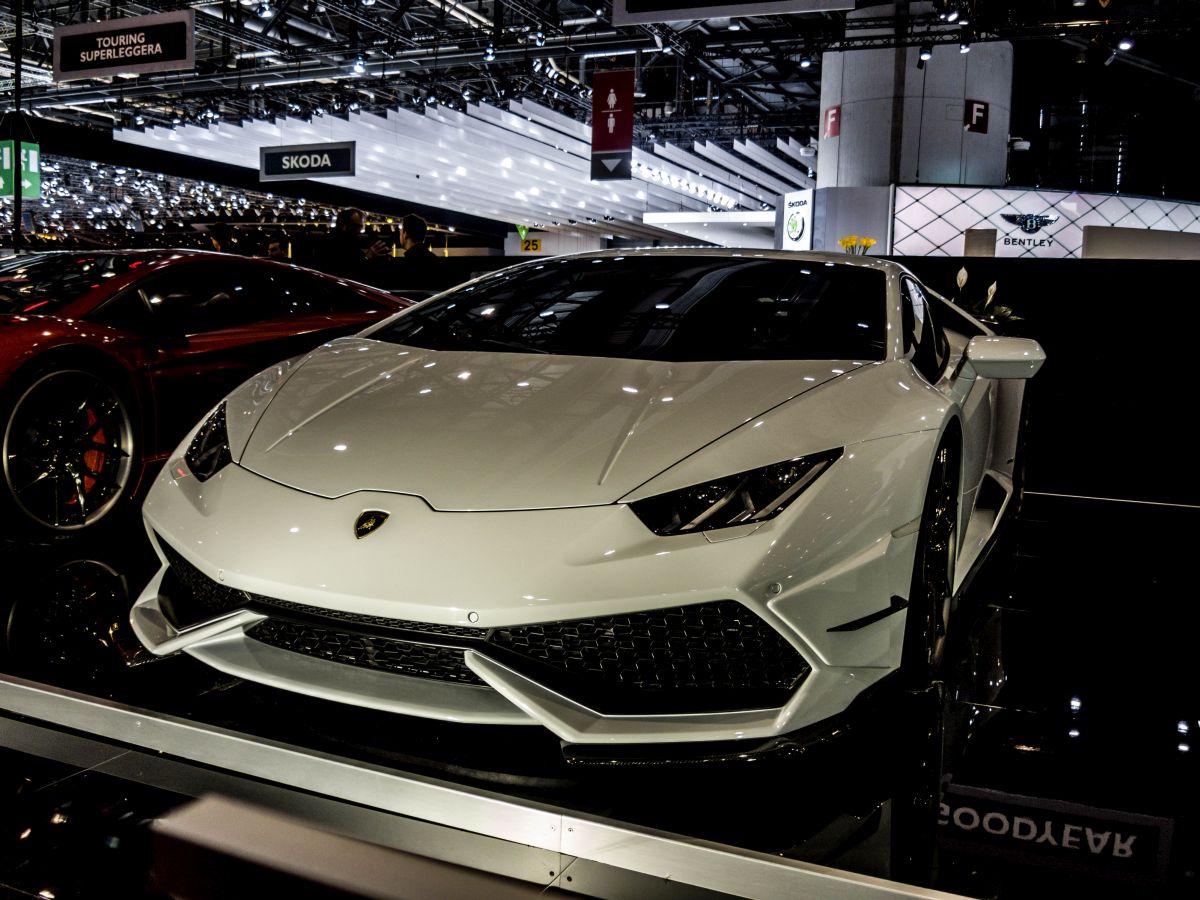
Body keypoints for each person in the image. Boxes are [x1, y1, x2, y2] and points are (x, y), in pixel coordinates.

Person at [318, 207, 390, 279]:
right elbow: (347, 272)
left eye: (361, 227)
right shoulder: (331, 243)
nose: (359, 230)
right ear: (342, 223)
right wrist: (367, 257)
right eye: (356, 226)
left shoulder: (349, 242)